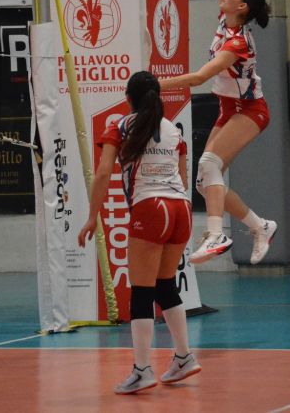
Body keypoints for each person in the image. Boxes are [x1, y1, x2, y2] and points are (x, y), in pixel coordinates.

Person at [159, 0, 277, 265]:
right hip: (230, 109)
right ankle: (260, 226)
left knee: (209, 163)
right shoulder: (226, 18)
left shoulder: (237, 42)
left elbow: (199, 77)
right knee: (205, 180)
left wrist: (155, 84)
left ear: (242, 7)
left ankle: (215, 235)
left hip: (250, 110)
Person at [78, 71, 201, 394]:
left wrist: (92, 217)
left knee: (143, 291)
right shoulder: (173, 129)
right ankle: (184, 357)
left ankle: (143, 369)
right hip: (181, 209)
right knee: (165, 285)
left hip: (152, 208)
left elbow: (103, 172)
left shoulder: (121, 126)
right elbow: (182, 175)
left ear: (128, 98)